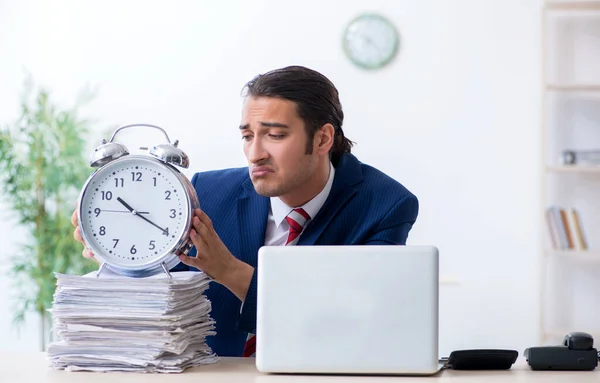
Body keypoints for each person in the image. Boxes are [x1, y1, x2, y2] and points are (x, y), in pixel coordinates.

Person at [72, 65, 419, 357]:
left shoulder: (384, 205)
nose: (255, 154)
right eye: (247, 136)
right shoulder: (204, 192)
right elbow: (156, 283)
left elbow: (356, 323)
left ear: (323, 139)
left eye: (275, 136)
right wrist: (113, 245)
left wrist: (230, 271)